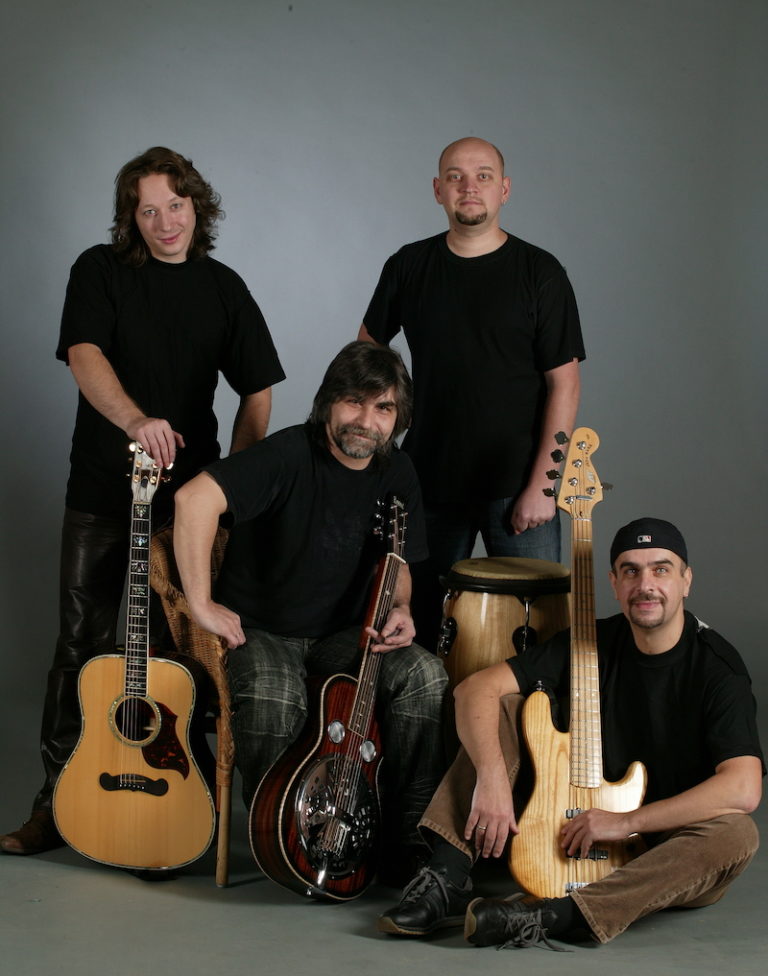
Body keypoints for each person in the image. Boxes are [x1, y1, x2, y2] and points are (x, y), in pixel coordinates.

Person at [0, 147, 284, 856]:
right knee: (80, 646)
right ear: (132, 217)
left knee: (171, 660)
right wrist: (134, 421)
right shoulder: (98, 272)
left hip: (185, 509)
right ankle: (55, 805)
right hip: (102, 491)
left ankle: (164, 808)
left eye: (176, 206)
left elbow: (259, 388)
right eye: (148, 209)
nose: (165, 222)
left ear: (198, 207)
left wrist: (234, 484)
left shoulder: (224, 287)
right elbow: (84, 355)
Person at [379, 517, 763, 947]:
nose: (646, 584)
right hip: (567, 828)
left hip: (663, 850)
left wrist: (626, 822)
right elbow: (475, 690)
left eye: (661, 569)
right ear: (614, 582)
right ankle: (448, 877)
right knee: (502, 707)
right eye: (631, 570)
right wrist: (491, 777)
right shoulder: (588, 641)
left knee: (737, 833)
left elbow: (743, 787)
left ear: (686, 580)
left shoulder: (717, 668)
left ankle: (552, 917)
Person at [172, 341, 449, 877]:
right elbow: (193, 500)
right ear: (327, 402)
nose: (366, 420)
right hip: (262, 631)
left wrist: (405, 608)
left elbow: (402, 563)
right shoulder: (287, 454)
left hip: (341, 635)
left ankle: (405, 836)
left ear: (399, 417)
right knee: (276, 695)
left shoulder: (399, 474)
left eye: (383, 407)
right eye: (353, 401)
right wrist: (200, 604)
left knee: (423, 675)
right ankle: (285, 839)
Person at [359, 137, 585, 648]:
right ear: (438, 190)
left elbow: (564, 384)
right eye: (456, 176)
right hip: (428, 481)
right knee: (416, 628)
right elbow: (366, 361)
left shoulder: (539, 272)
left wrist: (545, 486)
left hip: (518, 484)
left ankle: (524, 728)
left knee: (535, 631)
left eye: (483, 175)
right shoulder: (409, 266)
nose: (469, 186)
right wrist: (378, 445)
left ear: (503, 189)